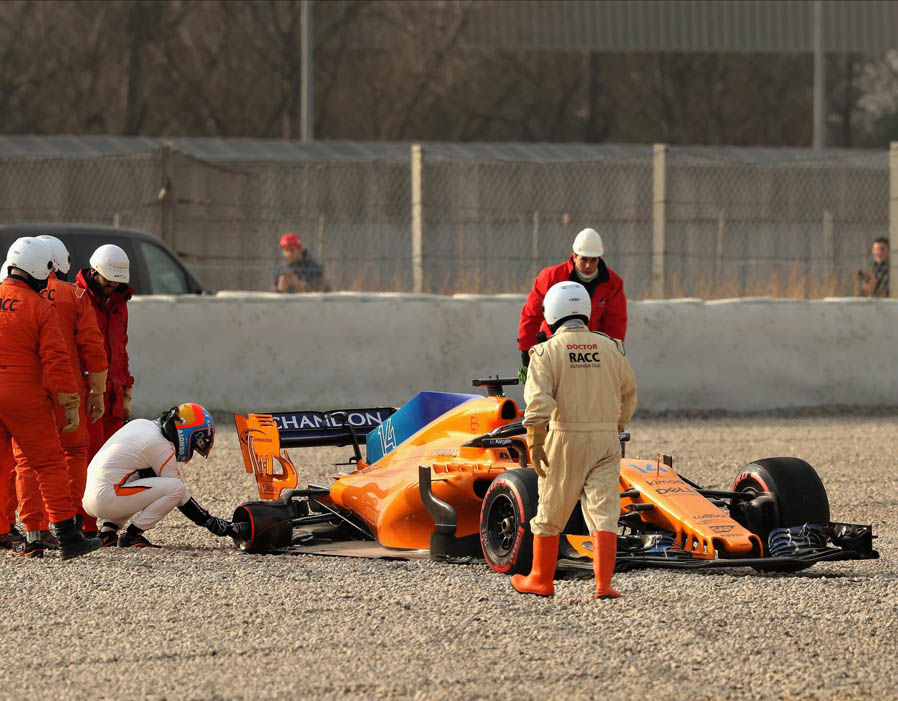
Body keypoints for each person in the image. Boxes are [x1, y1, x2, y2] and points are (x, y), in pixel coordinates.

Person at [512, 280, 637, 599]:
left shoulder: (544, 352)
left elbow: (539, 402)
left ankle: (540, 579)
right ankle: (604, 584)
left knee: (551, 509)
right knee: (604, 509)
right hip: (606, 440)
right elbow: (629, 395)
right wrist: (615, 423)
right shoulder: (612, 347)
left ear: (551, 313)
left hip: (564, 438)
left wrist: (536, 440)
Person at [0, 237, 103, 560]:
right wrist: (70, 403)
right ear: (38, 269)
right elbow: (57, 361)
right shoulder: (39, 306)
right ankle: (67, 537)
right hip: (24, 395)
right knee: (48, 463)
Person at [82, 402, 243, 547]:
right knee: (175, 487)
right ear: (187, 431)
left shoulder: (143, 424)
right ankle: (132, 536)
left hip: (90, 496)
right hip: (104, 499)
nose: (192, 450)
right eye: (196, 443)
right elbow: (180, 495)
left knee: (144, 477)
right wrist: (211, 522)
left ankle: (107, 534)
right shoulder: (160, 445)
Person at [518, 228, 627, 383]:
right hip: (554, 350)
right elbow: (531, 316)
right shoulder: (551, 277)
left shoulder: (612, 284)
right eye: (584, 259)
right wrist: (526, 355)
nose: (589, 265)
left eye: (594, 260)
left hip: (589, 355)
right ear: (574, 256)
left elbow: (615, 324)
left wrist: (611, 355)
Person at [74, 244, 134, 463]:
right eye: (108, 279)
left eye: (117, 280)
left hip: (114, 395)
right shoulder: (76, 299)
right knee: (88, 456)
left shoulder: (120, 303)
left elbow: (121, 350)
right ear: (94, 271)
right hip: (88, 393)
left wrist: (126, 390)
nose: (113, 284)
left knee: (112, 460)